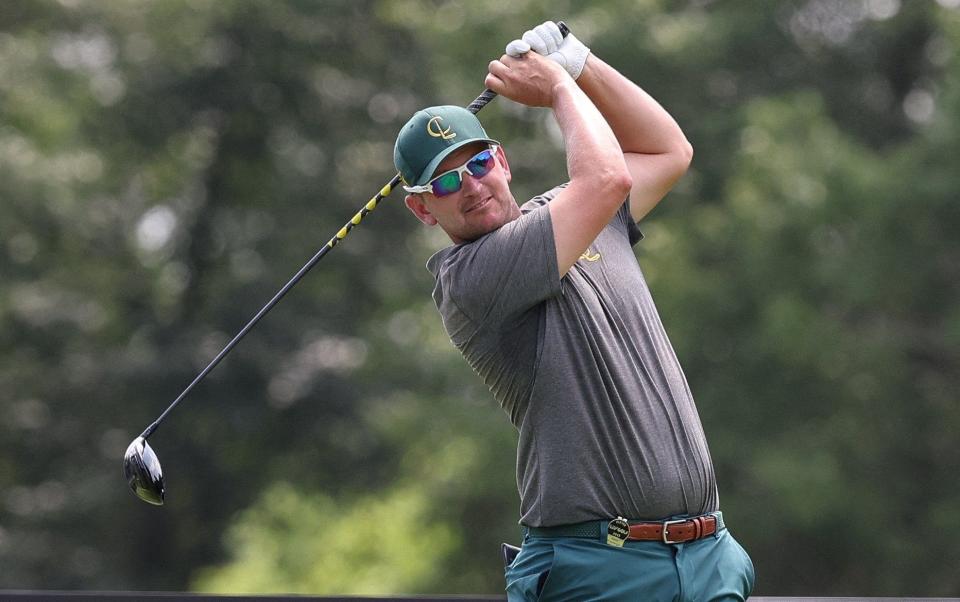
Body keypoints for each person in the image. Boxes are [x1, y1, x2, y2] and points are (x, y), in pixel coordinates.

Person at [393, 21, 755, 601]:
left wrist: (579, 59)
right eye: (447, 181)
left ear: (502, 160)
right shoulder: (468, 280)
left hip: (707, 558)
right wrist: (561, 89)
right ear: (423, 210)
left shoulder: (576, 209)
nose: (473, 186)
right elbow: (607, 176)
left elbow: (668, 150)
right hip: (597, 568)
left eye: (479, 163)